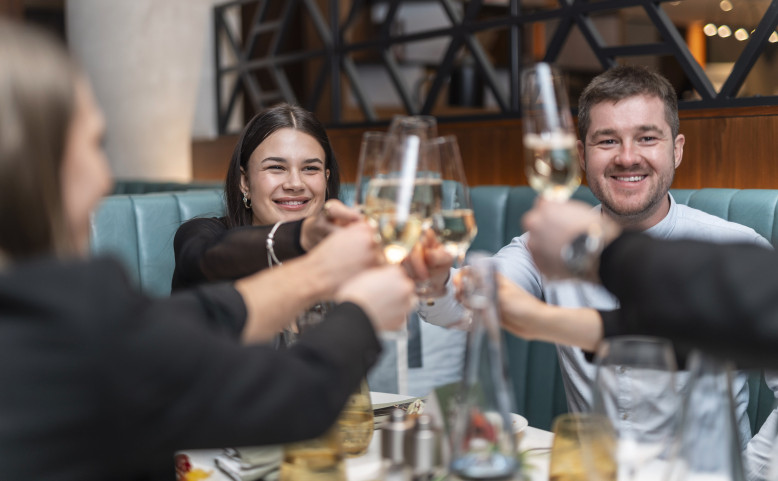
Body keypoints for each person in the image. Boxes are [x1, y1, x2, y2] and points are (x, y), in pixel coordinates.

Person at [0, 19, 416, 481]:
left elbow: (197, 318)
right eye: (95, 145)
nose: (103, 178)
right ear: (37, 167)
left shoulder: (49, 314)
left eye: (310, 169)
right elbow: (293, 395)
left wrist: (319, 261)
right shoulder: (77, 317)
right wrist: (360, 310)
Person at [410, 65, 777, 475]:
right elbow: (467, 305)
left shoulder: (735, 249)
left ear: (676, 149)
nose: (626, 157)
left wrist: (755, 471)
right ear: (581, 156)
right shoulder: (547, 245)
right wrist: (437, 278)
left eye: (647, 137)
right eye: (607, 140)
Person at [172, 102, 343, 290]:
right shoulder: (203, 235)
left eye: (310, 168)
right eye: (276, 168)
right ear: (244, 182)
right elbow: (200, 259)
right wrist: (301, 235)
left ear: (326, 179)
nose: (295, 184)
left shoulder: (343, 249)